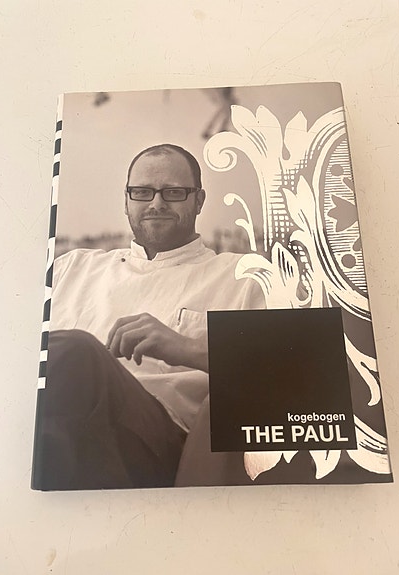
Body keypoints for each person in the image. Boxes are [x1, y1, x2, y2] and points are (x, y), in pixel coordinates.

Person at [36, 143, 265, 490]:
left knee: (75, 353)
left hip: (163, 444)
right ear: (127, 200)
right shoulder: (72, 268)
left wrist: (185, 347)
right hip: (67, 428)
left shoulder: (243, 277)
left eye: (173, 192)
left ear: (199, 200)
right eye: (142, 192)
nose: (156, 204)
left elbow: (297, 369)